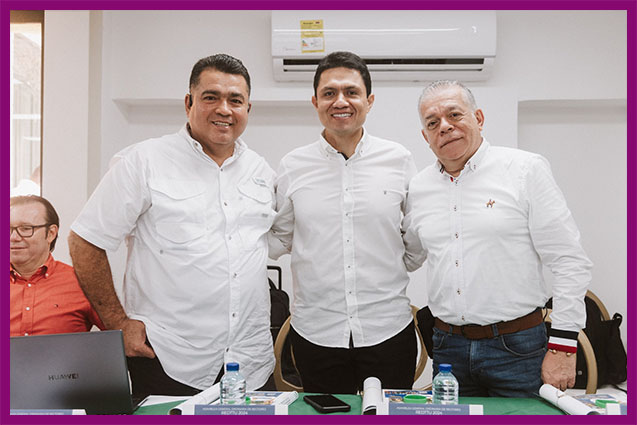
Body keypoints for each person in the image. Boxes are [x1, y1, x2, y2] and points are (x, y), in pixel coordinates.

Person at [68, 54, 275, 400]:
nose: (224, 109)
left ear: (248, 109)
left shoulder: (261, 171)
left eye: (235, 100)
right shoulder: (143, 161)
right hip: (168, 358)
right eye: (211, 97)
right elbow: (85, 240)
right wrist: (117, 322)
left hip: (250, 362)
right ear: (188, 103)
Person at [403, 80, 592, 397]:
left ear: (478, 118)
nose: (444, 127)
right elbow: (409, 256)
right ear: (426, 136)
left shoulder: (524, 170)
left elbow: (569, 260)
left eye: (454, 115)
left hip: (517, 348)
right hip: (448, 349)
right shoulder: (419, 187)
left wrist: (563, 345)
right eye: (433, 123)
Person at [269, 51, 418, 393]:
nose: (340, 101)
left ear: (369, 100)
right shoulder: (293, 166)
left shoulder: (398, 159)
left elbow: (416, 234)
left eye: (351, 92)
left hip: (388, 328)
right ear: (315, 102)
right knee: (326, 415)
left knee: (390, 416)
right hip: (316, 332)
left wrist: (393, 263)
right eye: (329, 93)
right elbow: (282, 237)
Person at [10, 195, 104, 336]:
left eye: (25, 229)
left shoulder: (83, 283)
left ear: (51, 233)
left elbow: (122, 338)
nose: (13, 237)